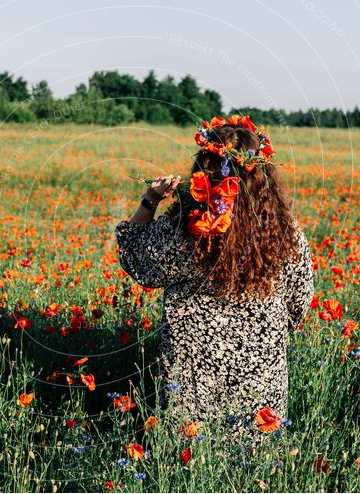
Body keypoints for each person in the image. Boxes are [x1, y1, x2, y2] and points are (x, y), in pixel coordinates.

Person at [114, 115, 314, 449]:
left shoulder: (187, 229)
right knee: (255, 470)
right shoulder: (285, 233)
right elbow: (299, 301)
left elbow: (136, 259)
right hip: (261, 380)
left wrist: (150, 200)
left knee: (193, 465)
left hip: (191, 383)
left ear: (204, 172)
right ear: (262, 174)